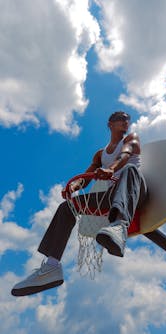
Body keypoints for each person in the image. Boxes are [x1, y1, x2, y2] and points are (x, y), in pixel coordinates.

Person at [11, 111, 148, 296]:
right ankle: (51, 267)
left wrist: (111, 169)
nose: (125, 122)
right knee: (67, 207)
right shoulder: (101, 153)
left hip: (136, 193)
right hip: (111, 198)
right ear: (110, 123)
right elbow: (86, 177)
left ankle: (119, 226)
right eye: (120, 119)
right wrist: (73, 186)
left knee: (130, 168)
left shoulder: (131, 138)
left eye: (127, 119)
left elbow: (124, 156)